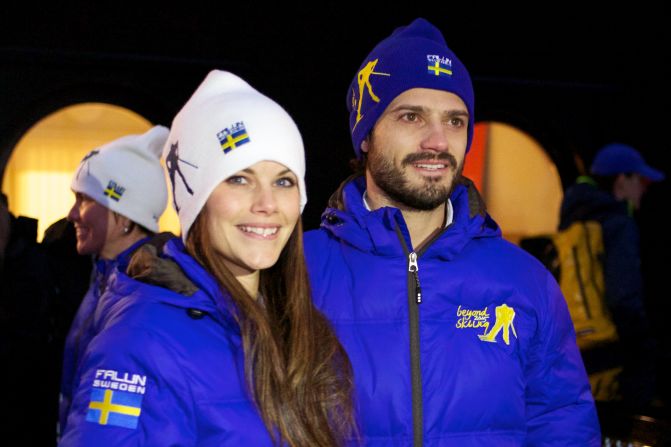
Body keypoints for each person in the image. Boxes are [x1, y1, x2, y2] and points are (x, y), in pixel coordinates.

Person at [303, 18, 601, 445]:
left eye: (456, 121)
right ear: (366, 134)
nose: (439, 141)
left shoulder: (526, 281)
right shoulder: (297, 270)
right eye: (412, 116)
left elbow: (561, 424)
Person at [59, 70, 354, 446]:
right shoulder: (142, 340)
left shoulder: (302, 327)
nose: (267, 204)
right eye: (238, 179)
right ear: (194, 201)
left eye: (283, 181)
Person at [59, 126, 170, 436]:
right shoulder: (105, 278)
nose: (71, 214)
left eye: (84, 200)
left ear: (124, 213)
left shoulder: (143, 295)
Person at [559, 143, 665, 411]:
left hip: (575, 355)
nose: (644, 188)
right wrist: (643, 347)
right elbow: (623, 297)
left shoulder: (572, 223)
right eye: (641, 180)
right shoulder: (619, 225)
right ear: (621, 180)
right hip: (614, 356)